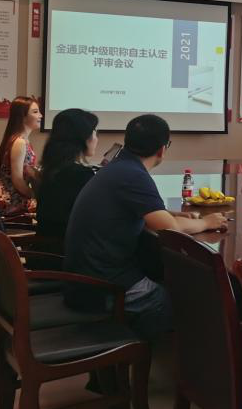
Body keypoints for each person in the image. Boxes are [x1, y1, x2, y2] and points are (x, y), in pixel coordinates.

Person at [63, 114, 226, 340]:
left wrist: (173, 214)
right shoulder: (133, 175)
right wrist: (206, 222)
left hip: (83, 278)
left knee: (171, 281)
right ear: (162, 149)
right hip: (104, 288)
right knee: (192, 303)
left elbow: (147, 213)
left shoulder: (119, 167)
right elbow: (169, 229)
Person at [35, 108, 100, 244]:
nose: (96, 139)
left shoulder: (51, 168)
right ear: (84, 138)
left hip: (47, 246)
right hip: (68, 250)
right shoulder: (80, 175)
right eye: (95, 132)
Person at [0, 95, 41, 217]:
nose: (41, 115)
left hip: (10, 198)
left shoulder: (19, 139)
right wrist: (34, 195)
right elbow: (17, 180)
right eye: (35, 112)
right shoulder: (20, 142)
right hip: (10, 202)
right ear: (22, 116)